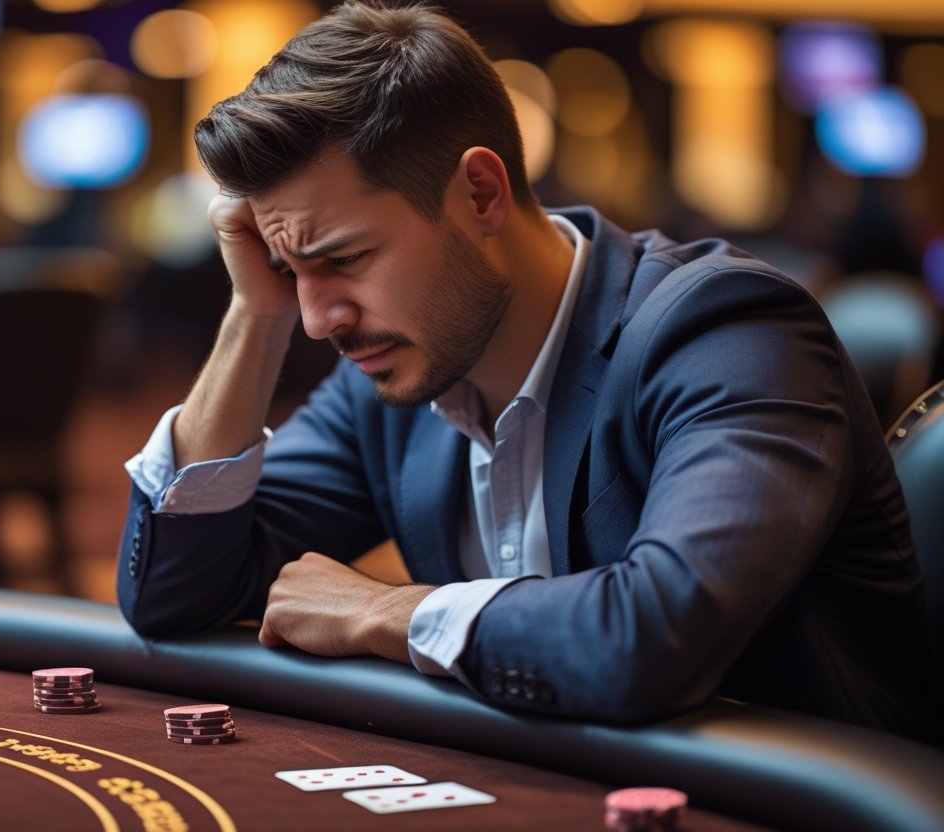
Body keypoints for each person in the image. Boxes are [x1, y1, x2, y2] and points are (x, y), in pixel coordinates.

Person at [117, 0, 944, 744]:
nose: (317, 318)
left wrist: (388, 610)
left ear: (481, 193)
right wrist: (253, 312)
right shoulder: (395, 374)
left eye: (346, 258)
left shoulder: (727, 329)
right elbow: (174, 593)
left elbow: (655, 637)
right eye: (290, 271)